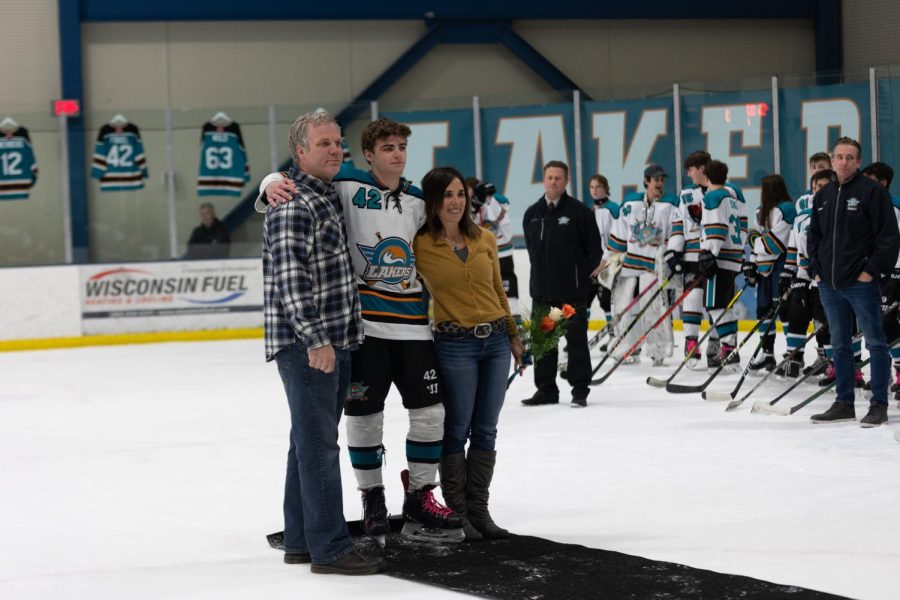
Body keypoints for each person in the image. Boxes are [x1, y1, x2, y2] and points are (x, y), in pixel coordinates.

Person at [257, 118, 463, 542]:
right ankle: (371, 499)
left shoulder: (418, 200)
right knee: (363, 418)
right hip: (364, 330)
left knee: (430, 415)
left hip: (414, 328)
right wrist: (268, 181)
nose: (397, 154)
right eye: (387, 147)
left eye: (402, 146)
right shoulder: (346, 185)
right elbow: (295, 182)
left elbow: (453, 225)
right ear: (368, 154)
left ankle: (421, 494)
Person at [262, 111, 382, 574]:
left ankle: (299, 540)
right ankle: (330, 548)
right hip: (311, 346)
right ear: (300, 151)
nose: (335, 149)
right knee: (317, 448)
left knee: (307, 442)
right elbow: (292, 283)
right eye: (324, 143)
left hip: (334, 341)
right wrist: (316, 340)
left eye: (338, 141)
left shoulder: (323, 193)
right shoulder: (293, 203)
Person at [414, 166, 525, 542]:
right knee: (456, 427)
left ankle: (480, 510)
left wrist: (513, 336)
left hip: (494, 342)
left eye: (460, 193)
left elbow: (497, 291)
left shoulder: (486, 239)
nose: (455, 201)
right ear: (433, 201)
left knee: (487, 429)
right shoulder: (421, 245)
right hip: (454, 344)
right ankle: (458, 512)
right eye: (446, 195)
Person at [808, 137, 900, 427]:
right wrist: (816, 268)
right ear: (832, 160)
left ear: (858, 162)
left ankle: (878, 404)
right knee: (839, 344)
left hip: (860, 282)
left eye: (850, 157)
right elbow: (814, 237)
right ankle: (844, 401)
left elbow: (888, 238)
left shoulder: (872, 192)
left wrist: (870, 271)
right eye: (839, 157)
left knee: (875, 342)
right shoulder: (823, 196)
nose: (844, 162)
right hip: (829, 284)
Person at [521, 160, 603, 408]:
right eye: (549, 177)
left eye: (558, 178)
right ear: (543, 180)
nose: (553, 182)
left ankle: (580, 390)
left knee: (576, 343)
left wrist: (580, 280)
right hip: (544, 295)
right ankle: (546, 390)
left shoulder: (580, 213)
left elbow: (595, 252)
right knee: (544, 343)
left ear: (566, 181)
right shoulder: (532, 215)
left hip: (571, 295)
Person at [664, 151, 744, 368]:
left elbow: (731, 222)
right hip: (693, 255)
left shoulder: (727, 192)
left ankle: (718, 343)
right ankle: (691, 342)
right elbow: (679, 223)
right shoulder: (686, 194)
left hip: (715, 255)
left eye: (691, 170)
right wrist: (673, 250)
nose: (690, 175)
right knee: (692, 299)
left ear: (702, 169)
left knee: (715, 302)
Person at [604, 164, 678, 367]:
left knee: (654, 306)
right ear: (646, 181)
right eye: (656, 179)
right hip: (630, 263)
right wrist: (610, 259)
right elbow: (619, 232)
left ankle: (658, 349)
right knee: (623, 306)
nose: (660, 183)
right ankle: (627, 346)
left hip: (654, 265)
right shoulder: (630, 203)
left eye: (662, 179)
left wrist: (669, 250)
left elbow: (676, 233)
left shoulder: (671, 204)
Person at [778, 169, 837, 379]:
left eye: (823, 187)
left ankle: (834, 363)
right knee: (797, 314)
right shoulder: (803, 214)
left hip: (829, 277)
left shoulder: (836, 212)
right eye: (816, 188)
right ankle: (793, 359)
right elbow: (794, 246)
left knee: (825, 322)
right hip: (806, 276)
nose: (818, 191)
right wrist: (789, 272)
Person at [697, 160, 748, 370]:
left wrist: (709, 253)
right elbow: (743, 227)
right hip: (734, 258)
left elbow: (716, 227)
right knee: (723, 305)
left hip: (719, 259)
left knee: (714, 305)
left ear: (707, 178)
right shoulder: (734, 198)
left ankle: (728, 348)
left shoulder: (712, 197)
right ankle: (729, 348)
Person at [745, 175, 796, 374]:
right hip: (764, 270)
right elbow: (756, 238)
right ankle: (767, 354)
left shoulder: (787, 210)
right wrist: (751, 264)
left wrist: (756, 242)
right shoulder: (761, 211)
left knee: (783, 311)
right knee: (764, 311)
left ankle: (792, 356)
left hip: (783, 267)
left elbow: (773, 244)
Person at [861, 161, 900, 402]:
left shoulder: (893, 206)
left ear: (882, 182)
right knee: (876, 325)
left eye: (870, 179)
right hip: (876, 273)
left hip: (895, 273)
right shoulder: (870, 205)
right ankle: (881, 371)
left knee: (889, 325)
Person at [468, 177, 521, 319]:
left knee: (507, 284)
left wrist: (488, 197)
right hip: (481, 253)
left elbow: (504, 202)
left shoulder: (492, 200)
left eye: (469, 189)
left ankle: (513, 316)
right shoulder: (468, 206)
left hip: (502, 250)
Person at [589, 174, 618, 336]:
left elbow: (617, 237)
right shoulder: (589, 210)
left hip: (610, 262)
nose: (595, 190)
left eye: (598, 187)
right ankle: (580, 338)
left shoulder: (613, 209)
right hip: (593, 263)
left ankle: (614, 334)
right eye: (592, 187)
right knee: (585, 300)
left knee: (607, 300)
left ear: (605, 189)